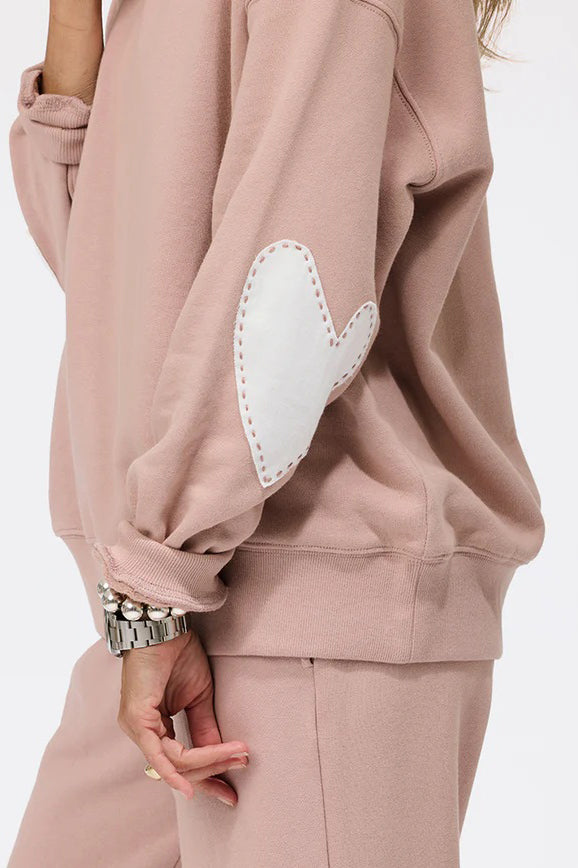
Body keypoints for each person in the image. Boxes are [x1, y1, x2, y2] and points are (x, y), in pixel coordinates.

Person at [8, 0, 544, 865]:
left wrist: (159, 585)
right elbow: (105, 265)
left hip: (313, 602)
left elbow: (290, 299)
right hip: (163, 603)